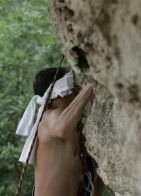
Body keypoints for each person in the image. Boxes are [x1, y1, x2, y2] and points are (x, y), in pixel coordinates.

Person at [16, 67, 104, 196]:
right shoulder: (49, 116)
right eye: (73, 86)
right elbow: (61, 129)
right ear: (61, 92)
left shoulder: (74, 128)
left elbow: (96, 169)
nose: (77, 90)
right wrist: (90, 85)